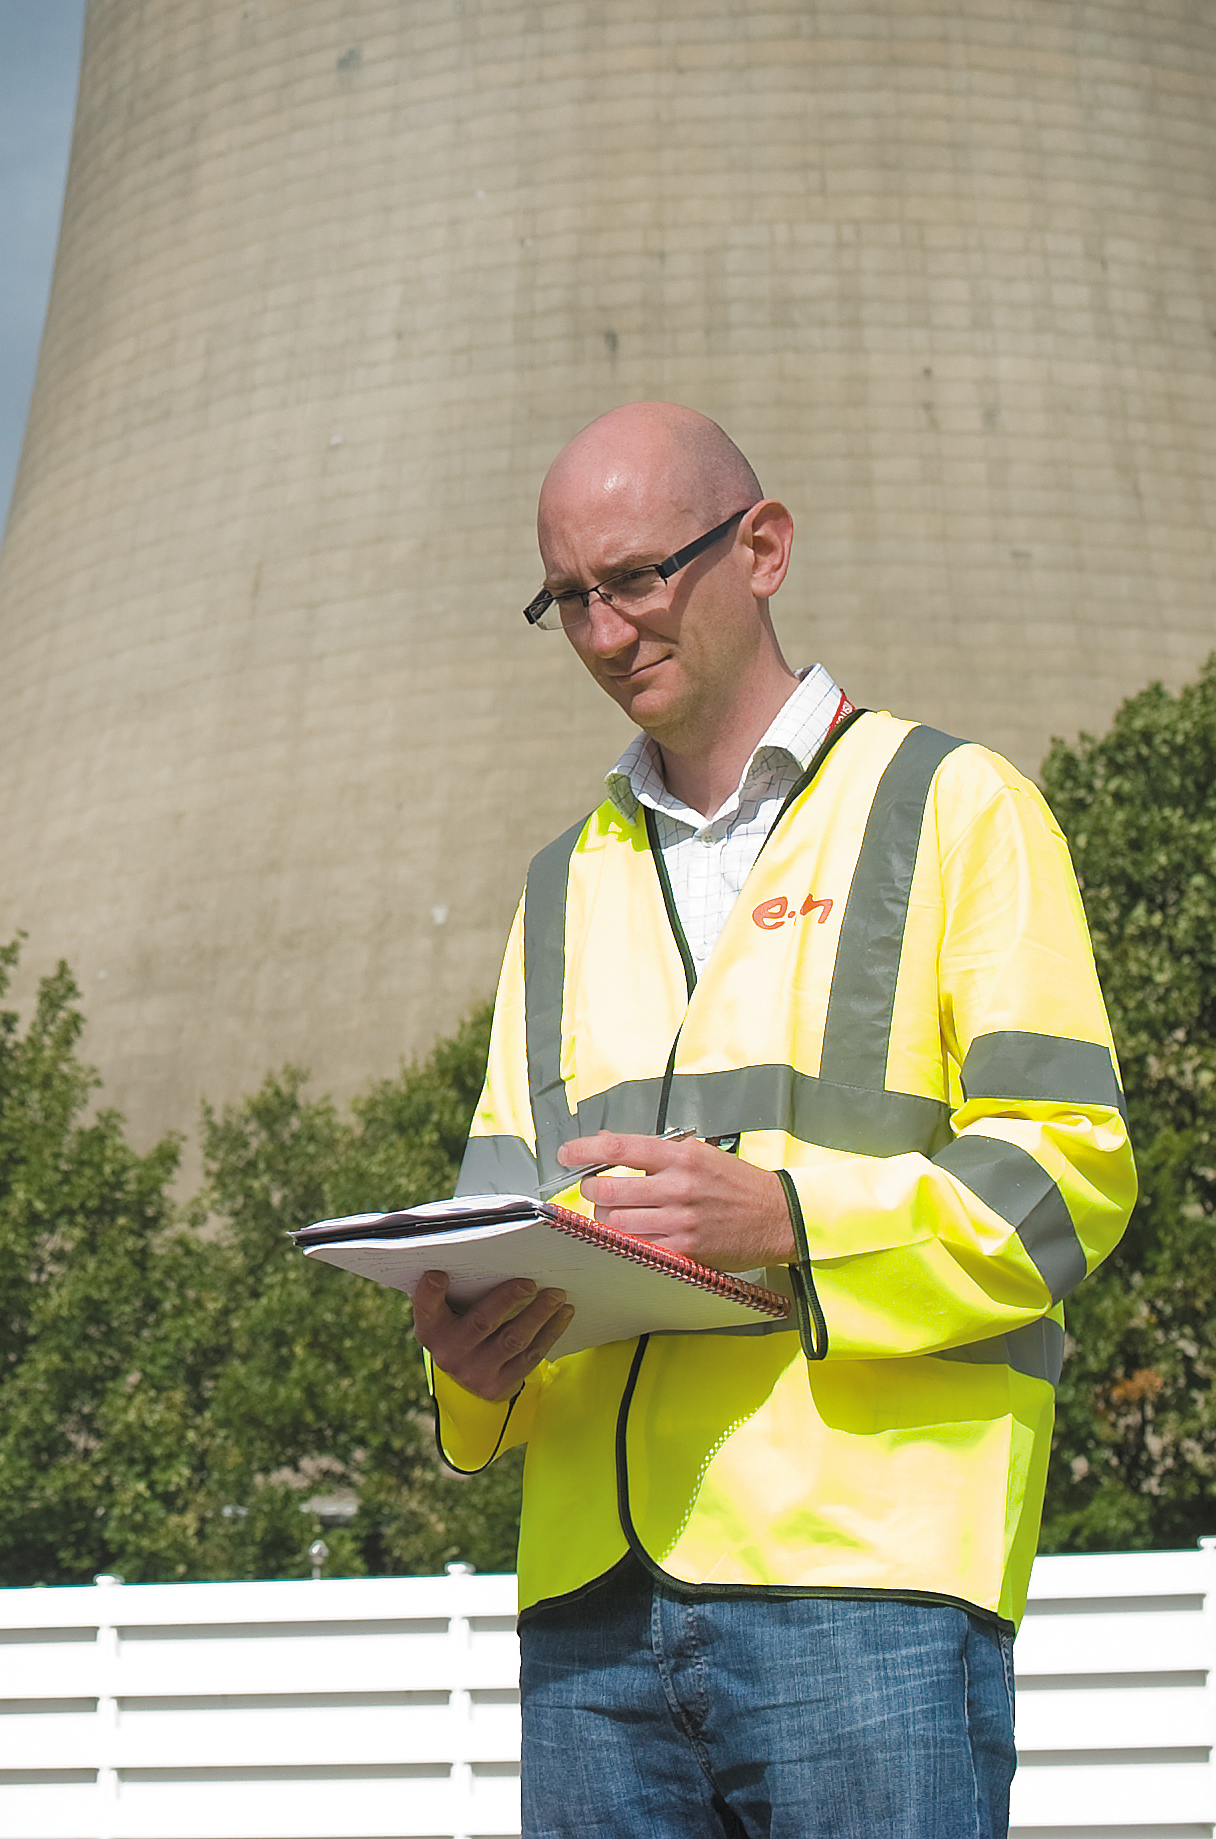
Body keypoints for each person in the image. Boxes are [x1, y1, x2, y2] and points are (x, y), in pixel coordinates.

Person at [409, 403, 1132, 1837]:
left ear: (764, 547)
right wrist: (466, 1362)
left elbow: (1065, 1170)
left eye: (637, 580)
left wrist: (794, 1225)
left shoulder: (957, 812)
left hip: (862, 1588)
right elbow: (495, 1213)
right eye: (570, 601)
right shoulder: (564, 888)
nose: (607, 634)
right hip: (593, 1614)